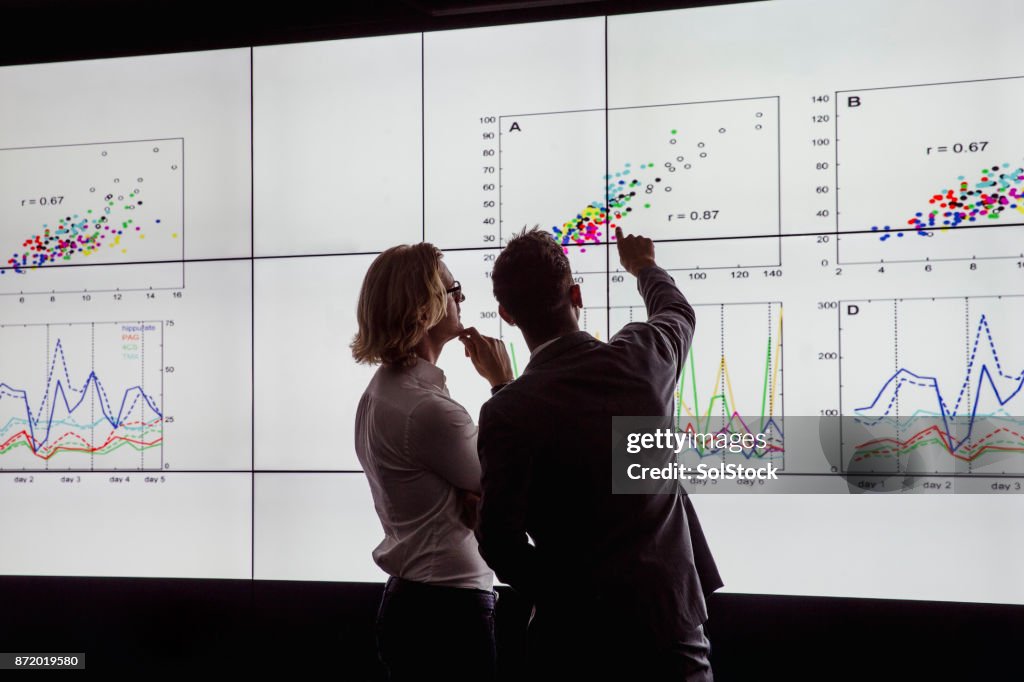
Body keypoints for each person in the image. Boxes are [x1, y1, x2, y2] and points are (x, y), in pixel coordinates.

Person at [467, 226, 723, 679]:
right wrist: (643, 267)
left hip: (574, 642)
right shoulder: (643, 356)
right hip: (671, 631)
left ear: (507, 315)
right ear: (576, 294)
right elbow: (677, 311)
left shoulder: (508, 410)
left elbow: (499, 543)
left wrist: (571, 594)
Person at [351, 242, 512, 682]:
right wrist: (504, 385)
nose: (461, 298)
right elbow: (511, 487)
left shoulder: (383, 392)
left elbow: (484, 490)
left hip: (416, 604)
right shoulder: (428, 411)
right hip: (448, 613)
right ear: (423, 308)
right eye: (451, 289)